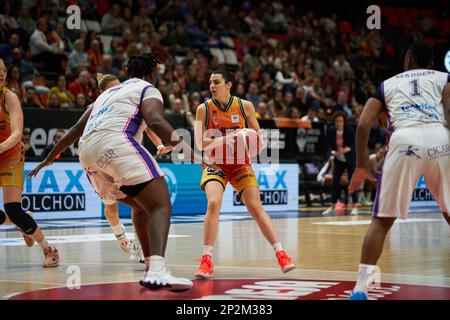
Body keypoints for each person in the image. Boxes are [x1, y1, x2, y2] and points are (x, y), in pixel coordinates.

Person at [30, 55, 194, 291]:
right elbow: (156, 121)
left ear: (128, 71)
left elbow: (77, 128)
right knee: (160, 205)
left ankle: (150, 267)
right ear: (153, 72)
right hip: (115, 145)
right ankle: (158, 269)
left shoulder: (105, 94)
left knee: (142, 206)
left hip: (86, 154)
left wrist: (49, 157)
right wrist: (189, 150)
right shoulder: (148, 88)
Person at [30, 73, 172, 262]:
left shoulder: (127, 100)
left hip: (117, 155)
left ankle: (145, 255)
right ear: (103, 92)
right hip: (111, 153)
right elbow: (76, 129)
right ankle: (126, 242)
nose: (118, 89)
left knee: (141, 206)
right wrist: (50, 157)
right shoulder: (100, 105)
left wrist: (160, 145)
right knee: (116, 207)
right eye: (113, 87)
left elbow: (148, 126)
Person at [348, 41, 450, 300]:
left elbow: (362, 126)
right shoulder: (443, 77)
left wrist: (361, 165)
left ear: (407, 60)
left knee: (382, 220)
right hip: (441, 139)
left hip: (405, 141)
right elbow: (449, 111)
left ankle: (360, 289)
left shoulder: (387, 85)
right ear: (430, 64)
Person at [194, 69, 296, 279]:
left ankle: (281, 254)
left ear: (228, 84)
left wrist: (248, 140)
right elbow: (198, 143)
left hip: (240, 163)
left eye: (216, 82)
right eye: (210, 82)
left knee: (255, 207)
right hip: (215, 163)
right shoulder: (203, 109)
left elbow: (257, 139)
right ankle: (206, 259)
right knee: (213, 203)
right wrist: (225, 140)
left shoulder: (245, 106)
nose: (212, 86)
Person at [0, 58, 59, 267]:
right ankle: (24, 220)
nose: (1, 73)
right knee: (16, 216)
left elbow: (17, 134)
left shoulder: (10, 97)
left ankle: (49, 250)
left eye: (4, 70)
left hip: (10, 154)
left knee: (13, 210)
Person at [323, 111, 360, 215]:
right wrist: (332, 151)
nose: (339, 123)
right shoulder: (331, 130)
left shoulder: (349, 130)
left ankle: (355, 205)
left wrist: (348, 149)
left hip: (349, 159)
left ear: (344, 122)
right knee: (335, 182)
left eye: (341, 121)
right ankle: (332, 206)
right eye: (337, 121)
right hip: (338, 159)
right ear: (334, 122)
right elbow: (328, 144)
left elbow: (354, 144)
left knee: (351, 182)